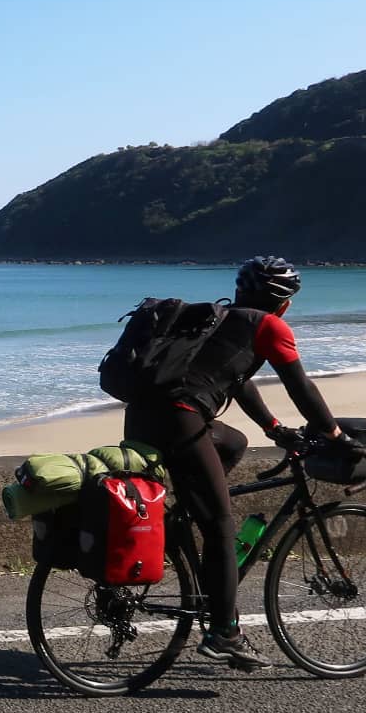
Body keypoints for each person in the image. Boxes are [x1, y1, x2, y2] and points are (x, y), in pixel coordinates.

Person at [123, 255, 345, 672]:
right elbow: (300, 385)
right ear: (285, 302)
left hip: (142, 416)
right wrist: (335, 435)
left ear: (240, 291)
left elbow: (238, 381)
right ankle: (224, 633)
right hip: (180, 420)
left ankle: (186, 516)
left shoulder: (220, 319)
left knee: (233, 443)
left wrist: (274, 428)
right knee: (221, 528)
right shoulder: (270, 326)